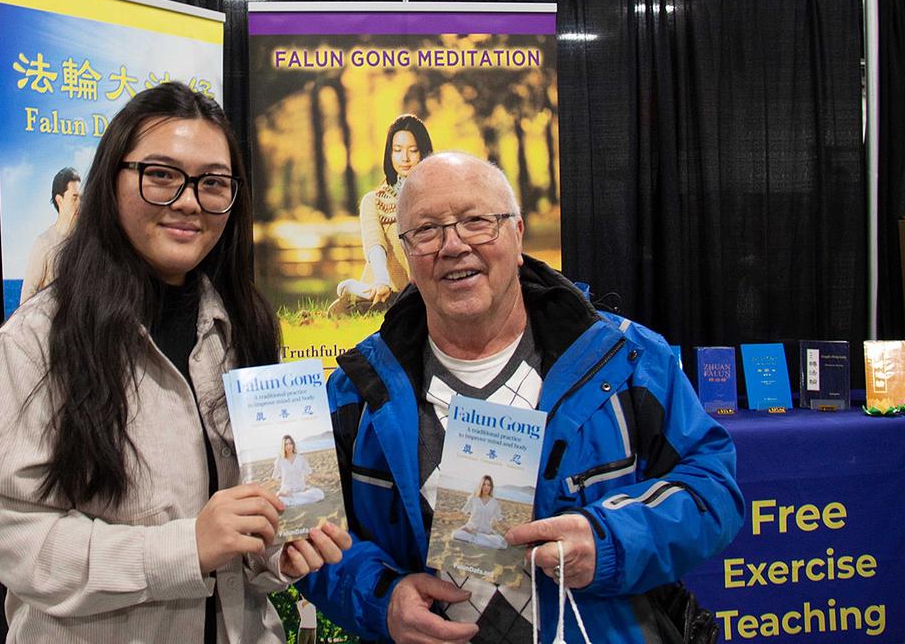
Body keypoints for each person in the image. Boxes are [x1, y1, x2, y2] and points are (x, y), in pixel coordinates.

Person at [300, 152, 743, 643]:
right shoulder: (356, 391)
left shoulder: (629, 361)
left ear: (517, 233)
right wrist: (382, 601)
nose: (453, 245)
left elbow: (711, 489)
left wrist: (608, 541)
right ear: (404, 250)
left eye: (477, 222)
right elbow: (309, 535)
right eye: (426, 230)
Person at [0, 82, 351, 643]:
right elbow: (13, 537)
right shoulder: (35, 344)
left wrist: (278, 552)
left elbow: (254, 522)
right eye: (162, 175)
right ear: (110, 182)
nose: (190, 200)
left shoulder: (245, 331)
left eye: (213, 183)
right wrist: (184, 548)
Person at [328, 114, 433, 316]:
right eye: (397, 150)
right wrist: (382, 281)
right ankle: (368, 295)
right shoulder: (374, 201)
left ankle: (356, 292)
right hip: (387, 287)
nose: (405, 158)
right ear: (389, 153)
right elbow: (376, 245)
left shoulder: (435, 196)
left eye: (413, 150)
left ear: (424, 152)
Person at [19, 166, 81, 303]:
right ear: (60, 200)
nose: (80, 203)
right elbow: (27, 297)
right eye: (75, 198)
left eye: (81, 198)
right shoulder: (44, 243)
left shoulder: (84, 243)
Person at [451, 476, 507, 550]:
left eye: (488, 485)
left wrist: (510, 529)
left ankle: (477, 538)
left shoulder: (495, 503)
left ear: (491, 487)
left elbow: (499, 520)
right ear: (481, 486)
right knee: (455, 534)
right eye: (484, 484)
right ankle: (481, 540)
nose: (486, 487)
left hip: (486, 532)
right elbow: (462, 513)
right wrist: (444, 515)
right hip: (470, 530)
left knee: (501, 542)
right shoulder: (473, 498)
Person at [273, 435, 325, 506]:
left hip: (301, 490)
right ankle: (295, 498)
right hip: (287, 493)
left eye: (290, 443)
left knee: (319, 494)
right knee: (281, 499)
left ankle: (297, 498)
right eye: (286, 444)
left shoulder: (300, 458)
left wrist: (327, 476)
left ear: (293, 445)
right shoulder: (279, 461)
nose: (289, 446)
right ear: (283, 446)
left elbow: (311, 474)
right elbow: (273, 480)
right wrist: (279, 493)